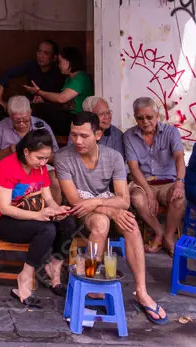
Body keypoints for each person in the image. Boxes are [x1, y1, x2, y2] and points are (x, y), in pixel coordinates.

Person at [55, 112, 168, 325]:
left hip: (100, 203)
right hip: (80, 212)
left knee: (131, 223)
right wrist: (107, 209)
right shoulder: (63, 157)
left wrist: (99, 204)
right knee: (101, 223)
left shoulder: (114, 156)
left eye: (84, 136)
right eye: (74, 135)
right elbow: (75, 200)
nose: (77, 141)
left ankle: (142, 292)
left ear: (98, 134)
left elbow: (124, 200)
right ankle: (90, 286)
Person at [0, 130, 73, 306]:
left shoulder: (39, 168)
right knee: (47, 230)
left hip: (30, 214)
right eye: (39, 158)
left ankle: (54, 270)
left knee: (67, 223)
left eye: (46, 159)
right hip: (2, 220)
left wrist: (58, 210)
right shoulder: (6, 167)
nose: (43, 163)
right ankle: (24, 277)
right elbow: (5, 208)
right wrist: (38, 215)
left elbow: (48, 199)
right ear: (26, 151)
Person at [0, 95, 60, 241]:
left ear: (30, 112)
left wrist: (39, 157)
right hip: (9, 165)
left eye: (25, 120)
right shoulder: (2, 127)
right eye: (16, 120)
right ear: (9, 116)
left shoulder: (41, 126)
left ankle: (52, 216)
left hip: (38, 164)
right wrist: (8, 151)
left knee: (55, 180)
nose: (21, 123)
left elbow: (55, 154)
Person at [123, 97, 186, 256]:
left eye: (149, 117)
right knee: (137, 198)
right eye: (140, 118)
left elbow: (179, 157)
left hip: (167, 182)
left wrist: (179, 182)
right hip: (143, 182)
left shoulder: (171, 132)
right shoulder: (129, 136)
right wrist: (149, 192)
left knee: (179, 198)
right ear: (135, 117)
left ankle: (169, 237)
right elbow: (134, 168)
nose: (145, 121)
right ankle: (159, 232)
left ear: (158, 116)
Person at [0, 40, 64, 111]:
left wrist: (44, 102)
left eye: (46, 53)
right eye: (39, 51)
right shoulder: (31, 65)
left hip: (51, 111)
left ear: (54, 58)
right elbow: (7, 74)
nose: (41, 56)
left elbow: (61, 100)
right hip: (29, 109)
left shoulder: (59, 73)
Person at [31, 47, 94, 114]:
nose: (59, 65)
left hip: (79, 120)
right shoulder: (69, 79)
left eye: (60, 62)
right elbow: (64, 105)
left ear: (69, 61)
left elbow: (61, 99)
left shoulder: (80, 78)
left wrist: (39, 92)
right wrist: (44, 103)